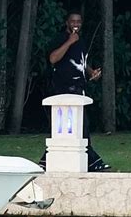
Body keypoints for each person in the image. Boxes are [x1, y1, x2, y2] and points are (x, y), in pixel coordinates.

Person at [45, 10, 110, 172]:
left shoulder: (82, 41)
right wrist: (69, 42)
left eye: (78, 22)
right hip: (62, 89)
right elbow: (53, 59)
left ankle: (47, 161)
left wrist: (91, 72)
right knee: (70, 126)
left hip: (79, 90)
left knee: (79, 127)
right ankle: (93, 162)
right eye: (73, 21)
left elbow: (81, 62)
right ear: (67, 23)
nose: (76, 24)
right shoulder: (61, 38)